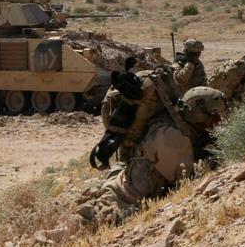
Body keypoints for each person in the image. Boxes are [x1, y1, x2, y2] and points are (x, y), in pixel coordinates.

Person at [77, 86, 226, 227]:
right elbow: (187, 179)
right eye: (214, 115)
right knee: (91, 222)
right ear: (198, 114)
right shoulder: (173, 137)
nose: (219, 120)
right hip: (125, 199)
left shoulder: (180, 125)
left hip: (126, 180)